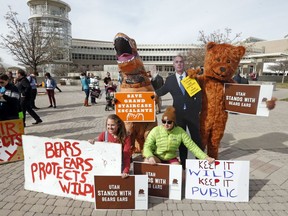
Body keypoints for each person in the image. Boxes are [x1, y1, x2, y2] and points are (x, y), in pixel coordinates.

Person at [155, 55, 202, 170]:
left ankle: (200, 163)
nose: (179, 64)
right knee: (181, 140)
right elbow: (161, 91)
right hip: (178, 115)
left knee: (196, 138)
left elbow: (199, 96)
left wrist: (197, 110)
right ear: (173, 64)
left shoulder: (191, 78)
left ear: (184, 63)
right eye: (176, 62)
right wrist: (147, 92)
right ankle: (184, 165)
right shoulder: (170, 80)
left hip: (192, 114)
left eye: (181, 62)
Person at [143, 106, 214, 166]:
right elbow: (147, 145)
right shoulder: (156, 130)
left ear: (174, 122)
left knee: (180, 174)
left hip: (170, 158)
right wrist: (150, 156)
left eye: (169, 122)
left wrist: (205, 157)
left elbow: (192, 146)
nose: (166, 124)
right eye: (164, 122)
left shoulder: (180, 131)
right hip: (157, 156)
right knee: (147, 161)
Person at [88, 114, 131, 178]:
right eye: (108, 125)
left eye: (113, 125)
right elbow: (97, 151)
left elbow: (126, 156)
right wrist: (93, 143)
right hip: (105, 166)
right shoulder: (103, 135)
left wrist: (125, 171)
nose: (110, 127)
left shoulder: (125, 137)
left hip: (119, 167)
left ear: (118, 125)